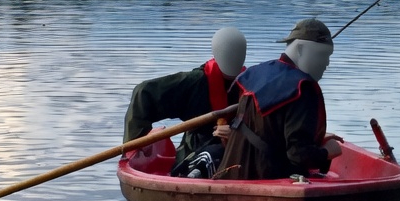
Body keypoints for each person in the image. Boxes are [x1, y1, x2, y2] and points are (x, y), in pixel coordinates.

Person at [217, 18, 343, 180]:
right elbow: (299, 155)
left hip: (230, 176)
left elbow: (267, 131)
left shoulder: (252, 74)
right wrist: (327, 151)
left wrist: (315, 138)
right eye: (322, 55)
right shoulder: (302, 88)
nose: (327, 63)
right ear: (301, 50)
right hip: (269, 181)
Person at [124, 26, 246, 177]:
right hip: (196, 155)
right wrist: (135, 147)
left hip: (240, 153)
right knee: (210, 156)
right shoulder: (195, 83)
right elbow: (143, 93)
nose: (234, 57)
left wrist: (237, 135)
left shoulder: (250, 85)